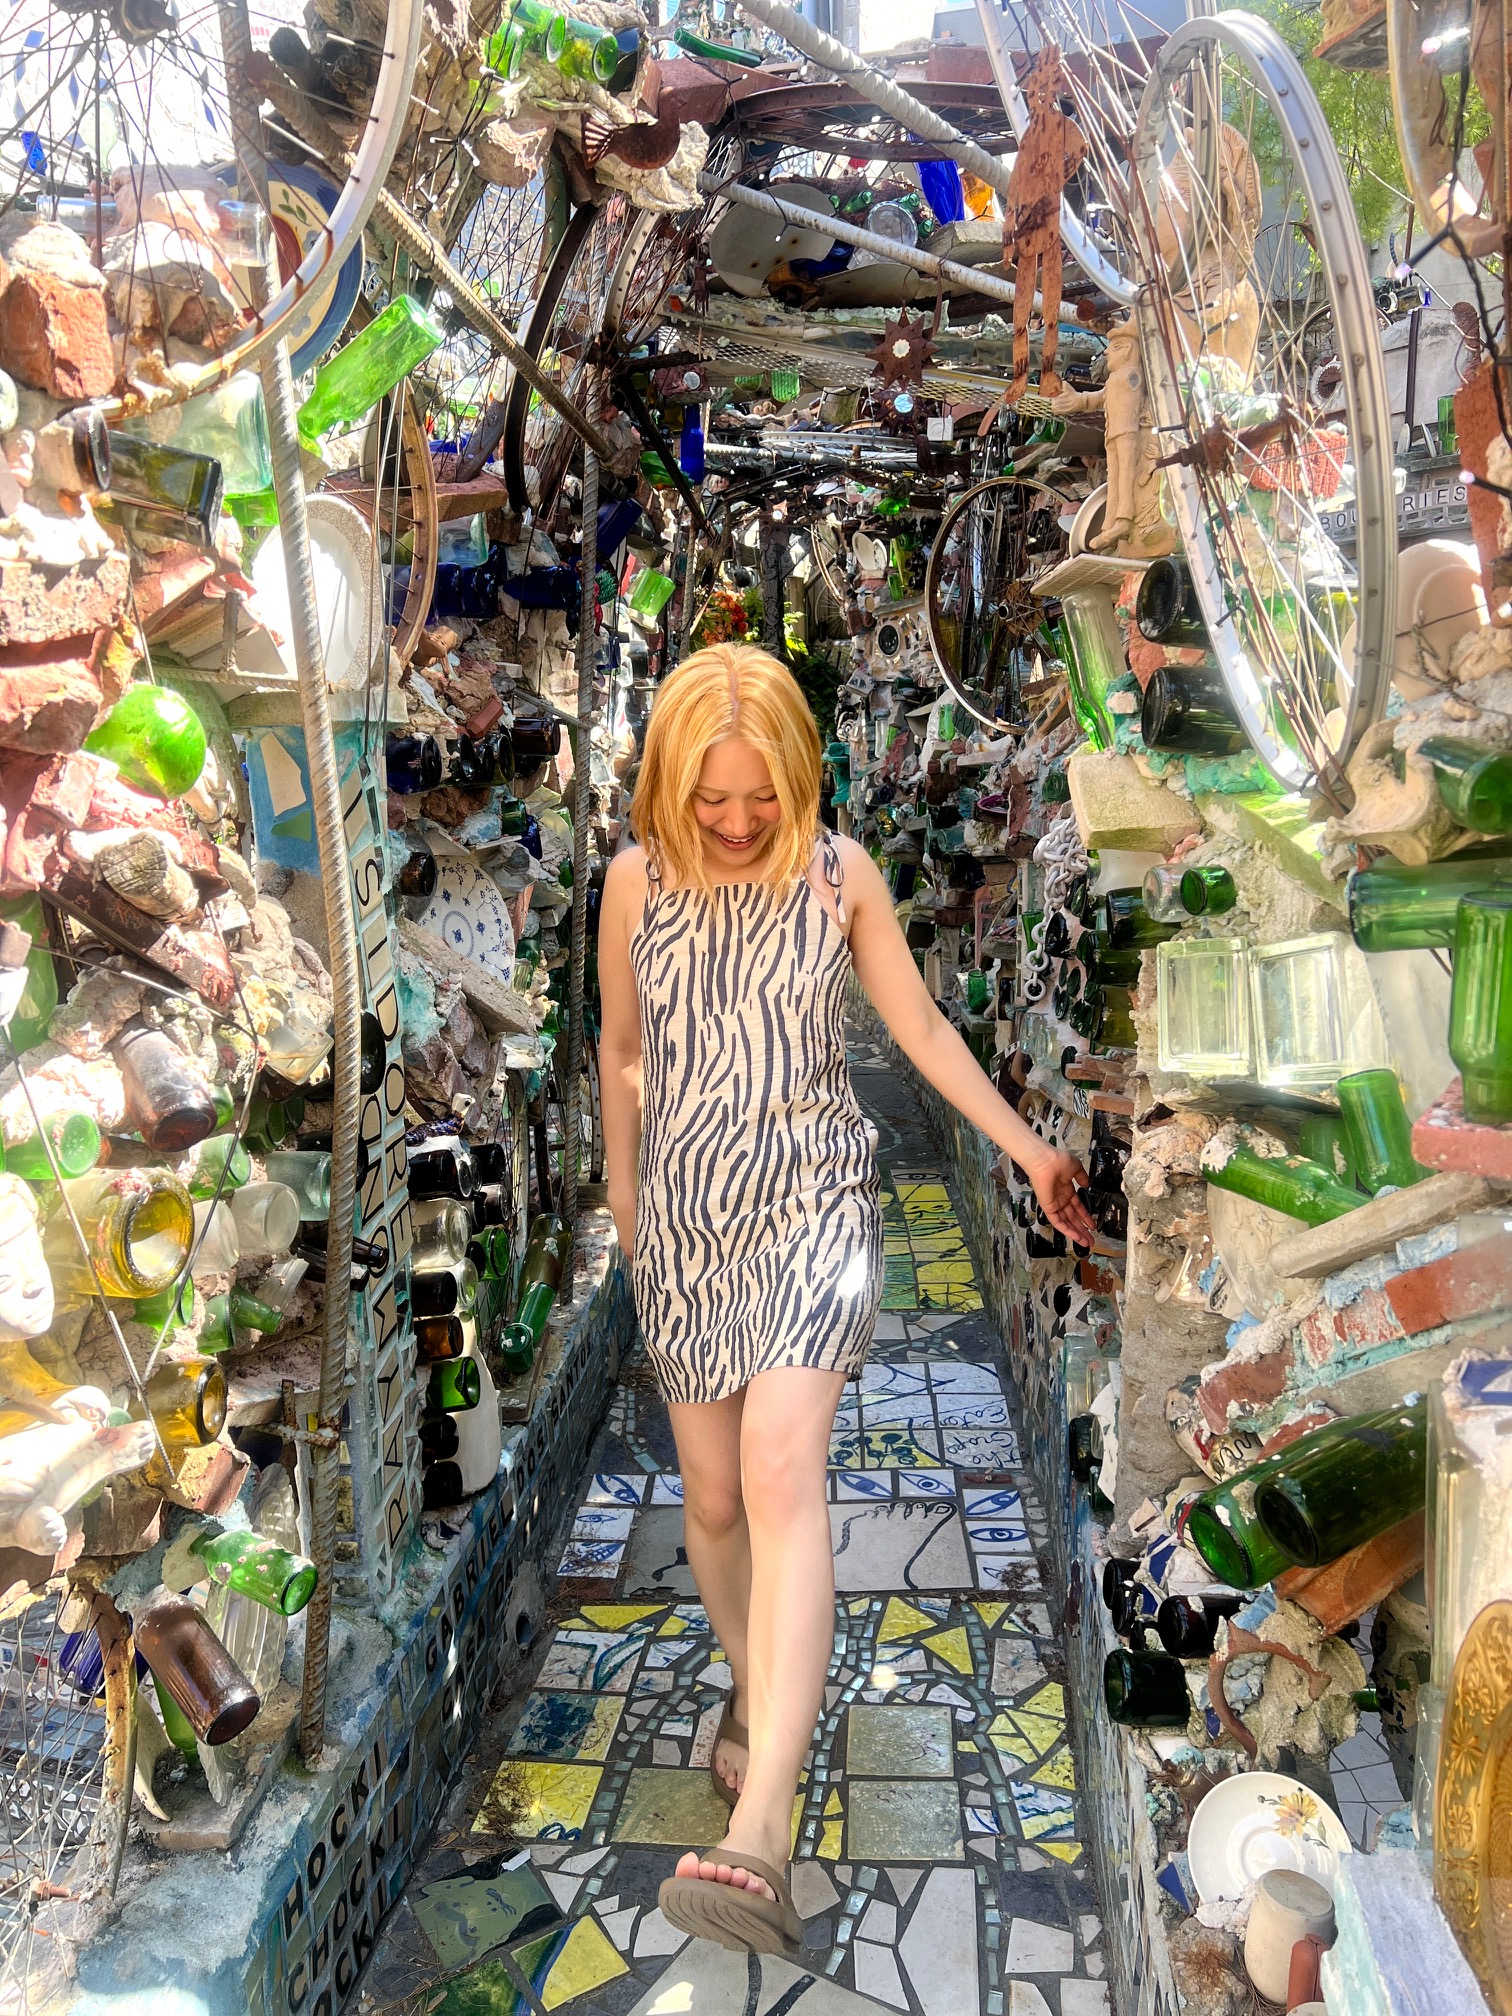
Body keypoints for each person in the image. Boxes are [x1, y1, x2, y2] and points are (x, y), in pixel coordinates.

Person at [597, 643, 1094, 1956]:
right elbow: (623, 1055)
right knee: (713, 1503)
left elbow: (920, 1030)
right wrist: (631, 1217)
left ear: (800, 778)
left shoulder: (838, 875)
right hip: (688, 1221)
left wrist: (1029, 1149)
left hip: (815, 1205)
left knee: (779, 1472)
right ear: (670, 785)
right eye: (713, 797)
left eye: (761, 794)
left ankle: (762, 1821)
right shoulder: (636, 884)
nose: (738, 820)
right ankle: (760, 1689)